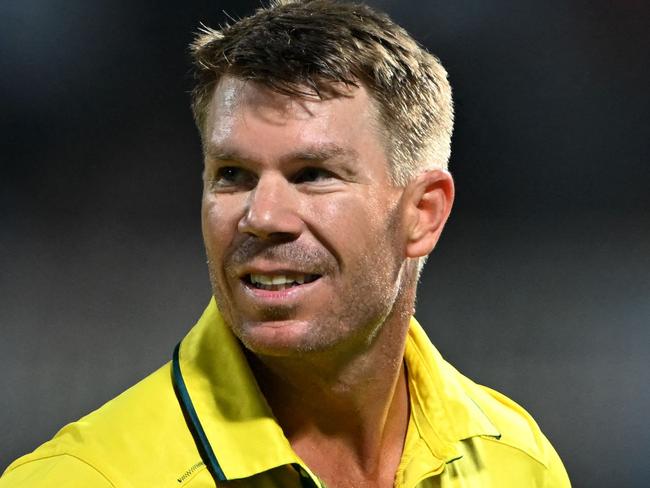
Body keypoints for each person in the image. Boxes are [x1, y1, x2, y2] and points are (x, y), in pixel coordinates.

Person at [1, 0, 571, 486]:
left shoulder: (517, 461)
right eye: (232, 174)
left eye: (312, 174)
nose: (262, 216)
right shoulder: (81, 477)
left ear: (423, 214)